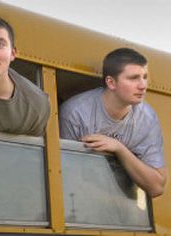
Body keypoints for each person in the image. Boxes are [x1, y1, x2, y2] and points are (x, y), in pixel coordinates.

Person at [59, 48, 167, 198]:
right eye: (133, 78)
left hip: (121, 205)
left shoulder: (147, 118)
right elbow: (65, 175)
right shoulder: (75, 113)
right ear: (111, 83)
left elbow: (156, 187)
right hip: (80, 202)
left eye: (145, 77)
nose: (143, 85)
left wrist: (120, 149)